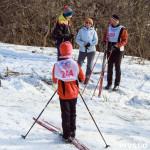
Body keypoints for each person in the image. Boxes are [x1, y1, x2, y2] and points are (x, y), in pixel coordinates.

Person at [52, 41, 85, 143]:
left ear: (61, 51)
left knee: (65, 113)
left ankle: (66, 135)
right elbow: (82, 78)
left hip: (63, 94)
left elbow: (54, 80)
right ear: (71, 51)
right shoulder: (75, 64)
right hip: (74, 93)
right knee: (73, 112)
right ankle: (72, 132)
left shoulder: (57, 64)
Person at [103, 14, 128, 91]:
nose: (110, 22)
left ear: (116, 21)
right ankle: (109, 83)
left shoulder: (122, 29)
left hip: (118, 50)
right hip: (109, 48)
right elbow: (105, 36)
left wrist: (118, 45)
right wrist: (104, 41)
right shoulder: (109, 28)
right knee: (109, 67)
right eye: (110, 20)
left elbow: (125, 40)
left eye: (112, 21)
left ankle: (116, 84)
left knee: (117, 67)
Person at [76, 18, 98, 84]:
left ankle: (87, 78)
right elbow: (77, 40)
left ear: (91, 24)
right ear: (85, 23)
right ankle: (78, 77)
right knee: (79, 64)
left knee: (89, 65)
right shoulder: (81, 31)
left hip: (91, 50)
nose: (88, 24)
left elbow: (96, 41)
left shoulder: (93, 31)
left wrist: (90, 43)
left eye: (89, 23)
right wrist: (83, 43)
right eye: (87, 22)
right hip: (82, 49)